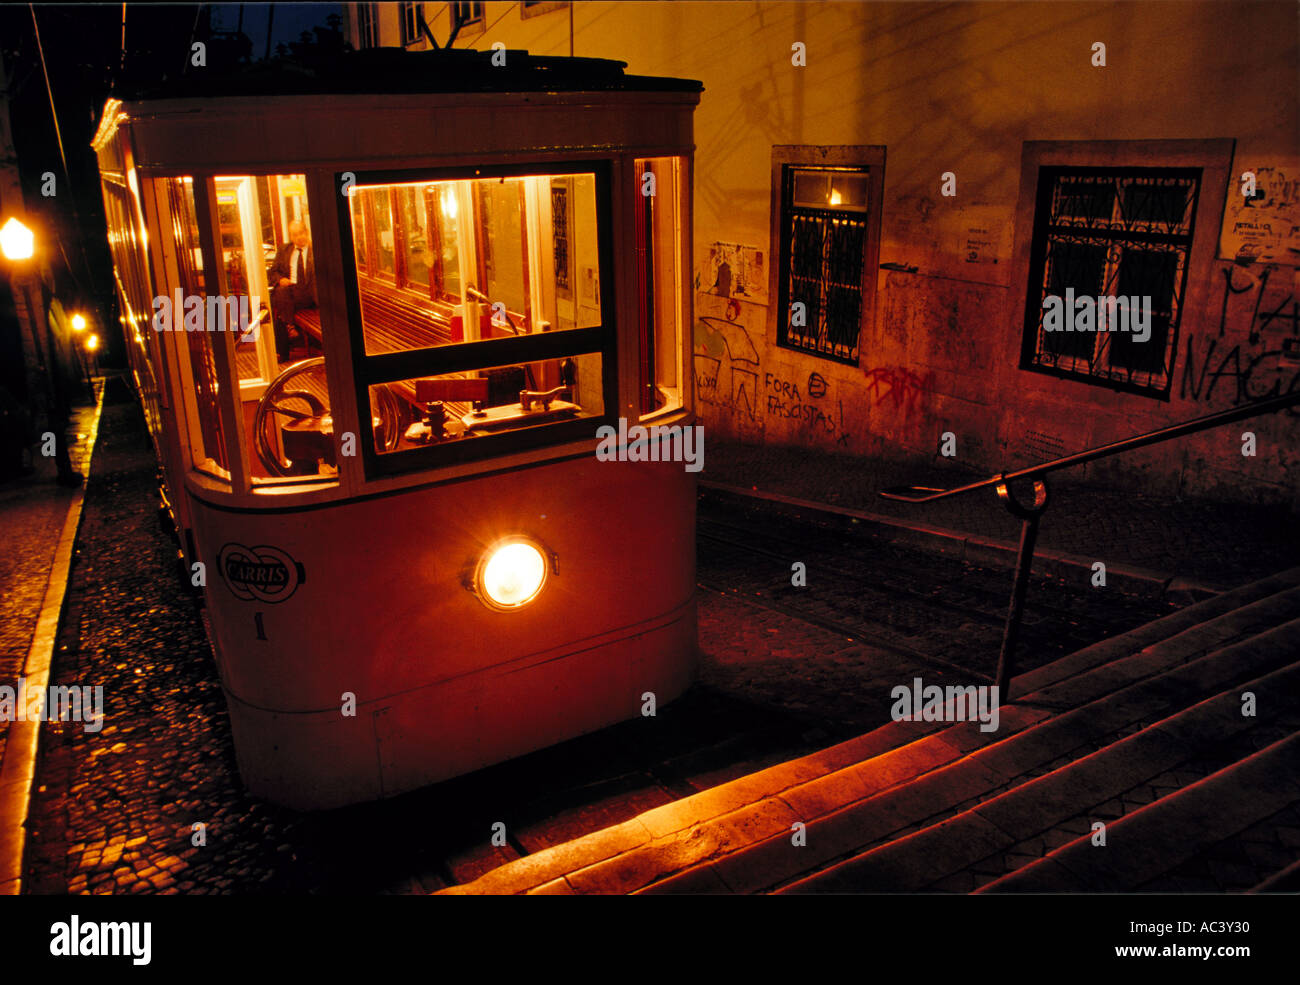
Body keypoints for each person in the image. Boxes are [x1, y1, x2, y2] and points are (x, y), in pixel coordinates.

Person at [267, 220, 316, 362]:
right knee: (281, 293)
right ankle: (289, 328)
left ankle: (288, 329)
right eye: (295, 235)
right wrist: (281, 279)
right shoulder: (284, 250)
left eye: (301, 233)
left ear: (306, 232)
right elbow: (273, 272)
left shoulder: (315, 249)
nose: (299, 237)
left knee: (280, 307)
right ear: (291, 237)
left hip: (309, 293)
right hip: (291, 292)